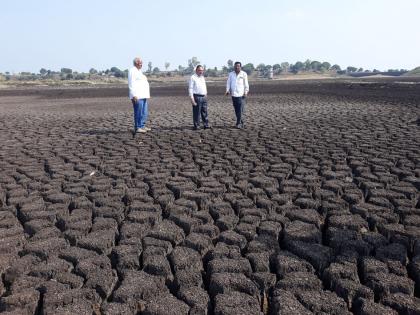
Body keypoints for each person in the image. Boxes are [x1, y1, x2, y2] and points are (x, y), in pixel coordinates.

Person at [128, 57, 151, 133]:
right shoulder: (132, 71)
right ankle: (138, 127)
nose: (141, 64)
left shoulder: (139, 71)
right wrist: (134, 95)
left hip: (143, 95)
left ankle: (142, 126)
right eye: (140, 62)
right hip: (137, 96)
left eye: (141, 62)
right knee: (138, 112)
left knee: (144, 112)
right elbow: (131, 83)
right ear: (136, 63)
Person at [225, 61, 249, 128]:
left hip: (241, 94)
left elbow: (246, 84)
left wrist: (246, 92)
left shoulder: (244, 74)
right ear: (234, 67)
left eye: (238, 66)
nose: (237, 67)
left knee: (240, 109)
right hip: (234, 94)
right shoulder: (231, 74)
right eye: (235, 66)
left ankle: (238, 123)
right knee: (236, 109)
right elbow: (228, 83)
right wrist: (227, 90)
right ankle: (242, 123)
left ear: (240, 67)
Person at [188, 65, 210, 130]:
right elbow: (190, 88)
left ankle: (206, 124)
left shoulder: (202, 77)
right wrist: (192, 99)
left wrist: (206, 93)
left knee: (204, 111)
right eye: (199, 70)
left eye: (202, 70)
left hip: (203, 96)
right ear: (196, 70)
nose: (201, 71)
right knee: (196, 112)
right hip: (196, 97)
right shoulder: (193, 77)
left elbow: (204, 86)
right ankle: (196, 125)